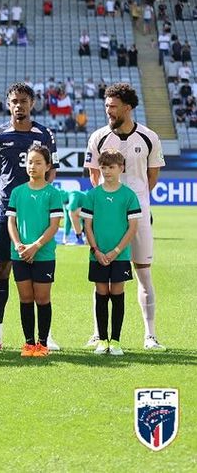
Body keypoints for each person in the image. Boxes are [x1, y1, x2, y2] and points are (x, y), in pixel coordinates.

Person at [84, 83, 166, 350]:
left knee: (143, 272)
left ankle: (150, 335)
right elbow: (93, 175)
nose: (108, 110)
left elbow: (152, 177)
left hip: (139, 214)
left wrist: (133, 201)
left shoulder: (149, 137)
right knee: (102, 275)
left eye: (113, 106)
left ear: (128, 107)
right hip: (106, 217)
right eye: (106, 105)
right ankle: (98, 333)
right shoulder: (97, 137)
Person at [0, 84, 58, 351]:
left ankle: (46, 336)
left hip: (37, 212)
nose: (19, 106)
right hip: (5, 213)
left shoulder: (44, 134)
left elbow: (51, 171)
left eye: (23, 101)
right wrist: (6, 199)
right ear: (8, 104)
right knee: (1, 269)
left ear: (32, 103)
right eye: (14, 101)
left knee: (40, 273)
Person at [81, 149, 141, 356]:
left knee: (117, 294)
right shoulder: (92, 195)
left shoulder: (129, 195)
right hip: (97, 254)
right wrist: (96, 250)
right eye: (103, 167)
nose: (106, 171)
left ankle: (115, 340)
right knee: (101, 293)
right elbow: (87, 226)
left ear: (121, 168)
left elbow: (132, 228)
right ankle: (102, 340)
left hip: (120, 255)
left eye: (111, 167)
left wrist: (115, 251)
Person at [6, 145, 63, 357]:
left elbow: (54, 225)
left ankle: (43, 344)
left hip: (43, 254)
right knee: (25, 298)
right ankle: (29, 344)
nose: (33, 166)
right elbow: (11, 222)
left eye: (38, 162)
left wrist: (36, 246)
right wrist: (19, 245)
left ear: (48, 166)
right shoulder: (17, 192)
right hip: (20, 254)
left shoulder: (52, 193)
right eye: (30, 162)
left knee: (42, 299)